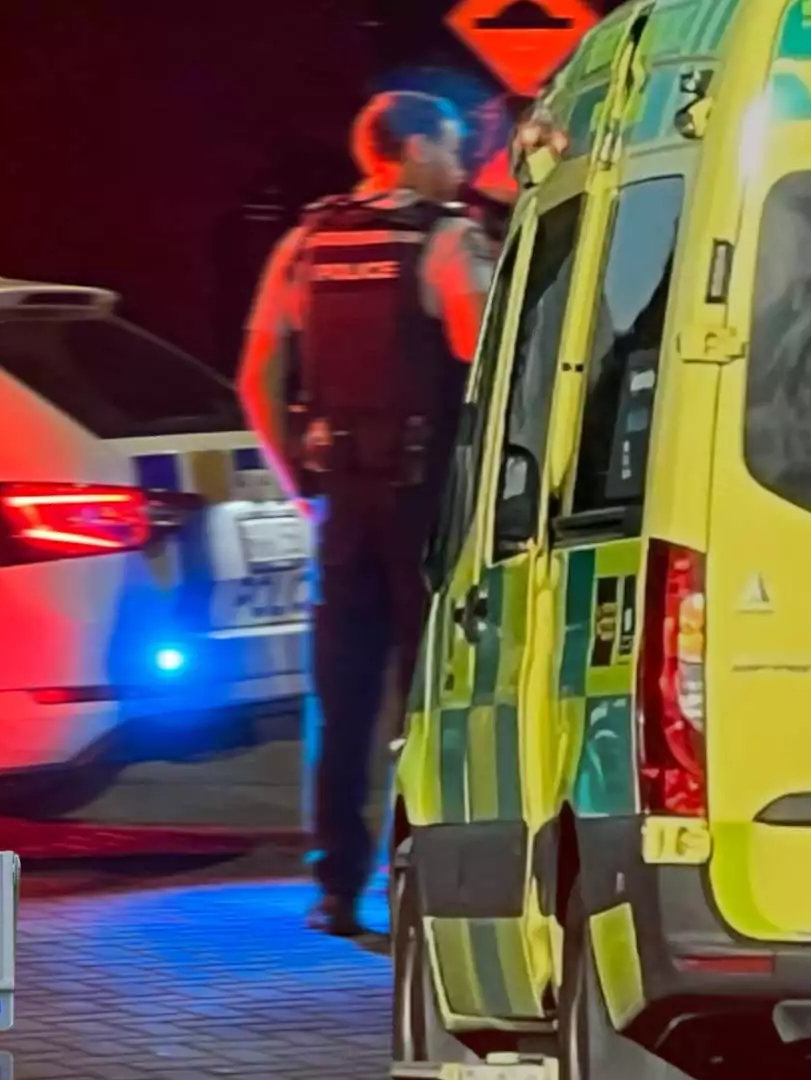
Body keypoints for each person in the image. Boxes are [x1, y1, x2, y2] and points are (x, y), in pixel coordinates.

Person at [237, 91, 495, 936]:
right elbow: (484, 354)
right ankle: (417, 875)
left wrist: (301, 486)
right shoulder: (444, 239)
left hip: (337, 507)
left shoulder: (307, 242)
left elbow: (260, 375)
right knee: (430, 700)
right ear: (415, 147)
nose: (458, 168)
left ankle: (336, 889)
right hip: (424, 504)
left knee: (340, 702)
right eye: (453, 149)